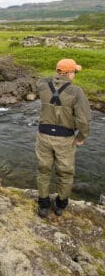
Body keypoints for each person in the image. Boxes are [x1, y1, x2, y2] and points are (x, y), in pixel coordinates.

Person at [35, 58, 91, 217]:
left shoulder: (42, 85)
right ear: (70, 73)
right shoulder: (76, 91)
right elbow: (84, 120)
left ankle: (44, 205)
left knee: (43, 170)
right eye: (75, 72)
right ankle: (60, 205)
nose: (75, 75)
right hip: (64, 138)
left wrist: (57, 77)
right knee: (65, 173)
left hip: (43, 135)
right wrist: (81, 136)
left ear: (57, 71)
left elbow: (41, 80)